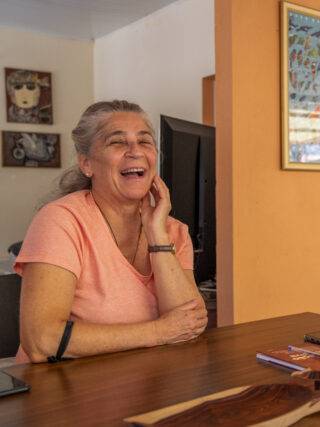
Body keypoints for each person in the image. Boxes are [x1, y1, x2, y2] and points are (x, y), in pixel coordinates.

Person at [15, 100, 207, 363]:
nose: (135, 151)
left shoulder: (172, 231)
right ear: (87, 164)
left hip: (140, 380)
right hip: (61, 386)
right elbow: (41, 340)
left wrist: (157, 237)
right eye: (117, 142)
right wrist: (159, 332)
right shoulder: (61, 220)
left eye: (145, 141)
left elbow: (189, 325)